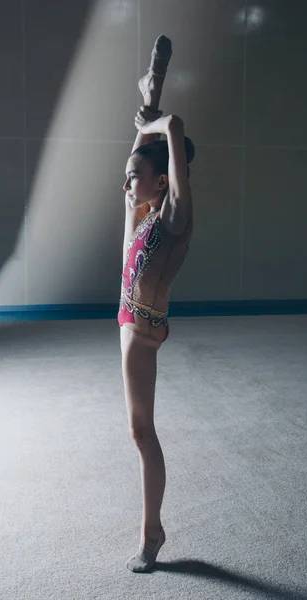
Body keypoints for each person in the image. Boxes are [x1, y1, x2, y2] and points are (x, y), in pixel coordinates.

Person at [118, 35, 195, 572]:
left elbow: (174, 130)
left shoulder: (174, 218)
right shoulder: (144, 213)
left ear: (164, 179)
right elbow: (127, 254)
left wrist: (153, 118)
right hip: (126, 318)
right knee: (136, 430)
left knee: (144, 434)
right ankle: (150, 86)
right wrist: (143, 117)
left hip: (144, 333)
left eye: (136, 175)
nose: (127, 183)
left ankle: (153, 533)